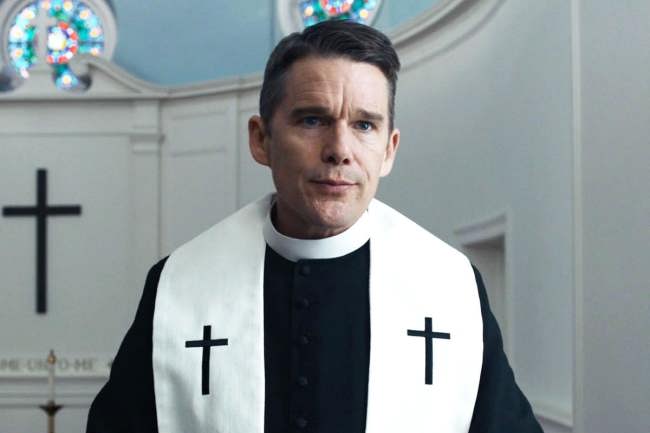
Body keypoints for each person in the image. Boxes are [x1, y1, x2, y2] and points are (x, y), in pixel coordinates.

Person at [87, 20, 543, 433]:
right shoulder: (179, 285)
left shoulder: (449, 287)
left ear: (389, 150)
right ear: (261, 139)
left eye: (364, 125)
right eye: (312, 120)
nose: (339, 149)